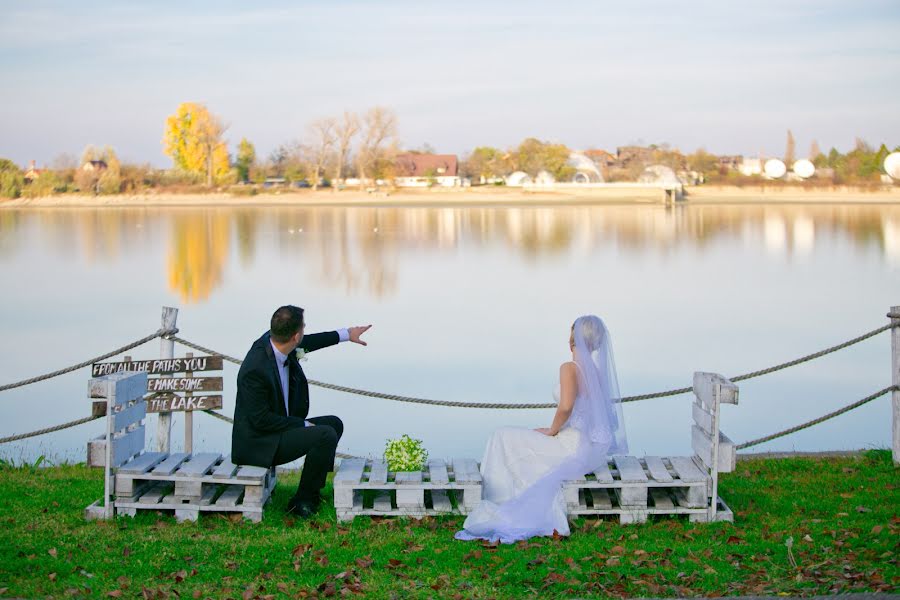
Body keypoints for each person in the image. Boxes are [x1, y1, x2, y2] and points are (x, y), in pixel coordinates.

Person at [456, 315, 627, 543]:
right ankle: (504, 497)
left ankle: (500, 500)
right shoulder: (596, 372)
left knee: (501, 437)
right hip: (584, 445)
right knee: (514, 438)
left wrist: (552, 430)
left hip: (568, 443)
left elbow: (566, 406)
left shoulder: (570, 367)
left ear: (572, 339)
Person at [231, 305, 371, 518]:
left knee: (333, 423)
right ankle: (302, 502)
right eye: (303, 327)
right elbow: (261, 420)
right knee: (325, 434)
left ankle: (312, 490)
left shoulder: (278, 342)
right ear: (295, 336)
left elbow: (309, 342)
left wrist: (346, 334)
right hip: (260, 443)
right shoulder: (255, 369)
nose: (305, 331)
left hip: (278, 429)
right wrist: (302, 424)